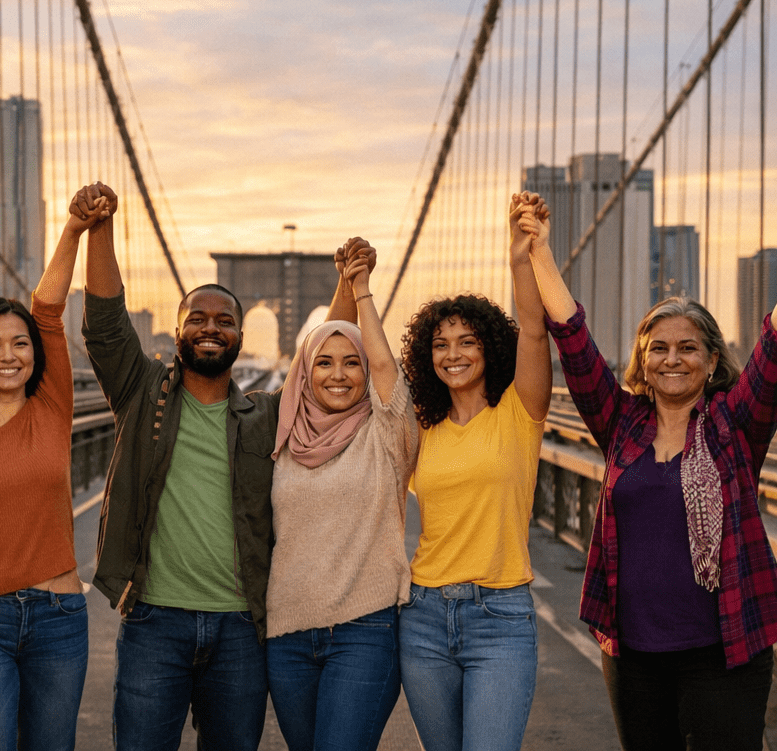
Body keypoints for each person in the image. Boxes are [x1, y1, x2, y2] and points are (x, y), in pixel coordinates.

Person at [76, 181, 363, 751]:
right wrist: (100, 228)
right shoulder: (141, 392)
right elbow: (107, 325)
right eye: (197, 318)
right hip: (155, 620)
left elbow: (317, 363)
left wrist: (348, 283)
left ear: (239, 334)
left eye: (225, 320)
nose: (211, 327)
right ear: (178, 331)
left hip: (242, 628)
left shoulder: (266, 415)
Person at [524, 193, 777, 750]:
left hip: (726, 654)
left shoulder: (735, 424)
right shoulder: (622, 425)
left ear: (712, 360)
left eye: (688, 348)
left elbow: (774, 350)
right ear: (643, 358)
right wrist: (541, 250)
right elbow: (574, 341)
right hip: (634, 657)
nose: (672, 359)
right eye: (658, 348)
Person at [0, 193, 96, 751]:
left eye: (20, 344)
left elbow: (49, 310)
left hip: (59, 616)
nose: (8, 356)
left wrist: (75, 229)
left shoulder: (52, 406)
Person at [397, 193, 552, 751]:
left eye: (467, 341)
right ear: (425, 356)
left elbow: (535, 331)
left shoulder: (520, 411)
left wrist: (521, 256)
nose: (453, 354)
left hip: (501, 616)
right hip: (422, 616)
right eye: (440, 344)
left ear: (490, 347)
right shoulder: (420, 428)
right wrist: (359, 291)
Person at [265, 241, 418, 751]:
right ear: (305, 372)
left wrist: (361, 289)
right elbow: (315, 357)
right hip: (286, 635)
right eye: (324, 363)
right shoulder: (284, 437)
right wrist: (340, 288)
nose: (337, 374)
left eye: (350, 363)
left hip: (363, 633)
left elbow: (385, 373)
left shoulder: (386, 434)